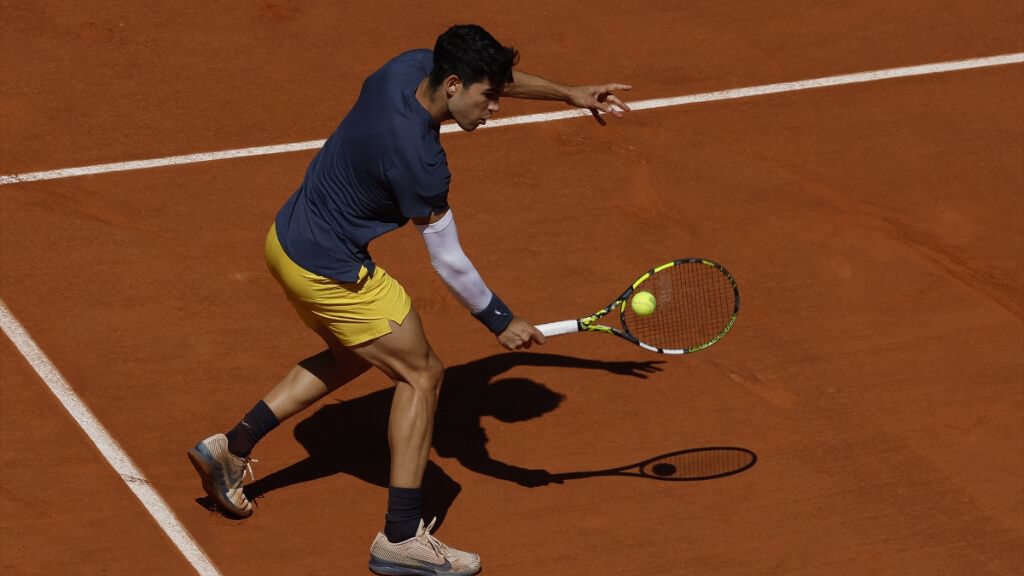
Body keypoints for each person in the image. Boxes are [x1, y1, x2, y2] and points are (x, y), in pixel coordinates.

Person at [187, 24, 630, 576]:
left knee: (356, 353)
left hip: (286, 240)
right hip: (329, 269)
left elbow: (493, 75)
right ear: (453, 86)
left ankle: (232, 448)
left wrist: (567, 92)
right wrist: (500, 319)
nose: (496, 108)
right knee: (421, 374)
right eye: (488, 98)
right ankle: (399, 539)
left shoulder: (408, 67)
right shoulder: (420, 159)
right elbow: (448, 260)